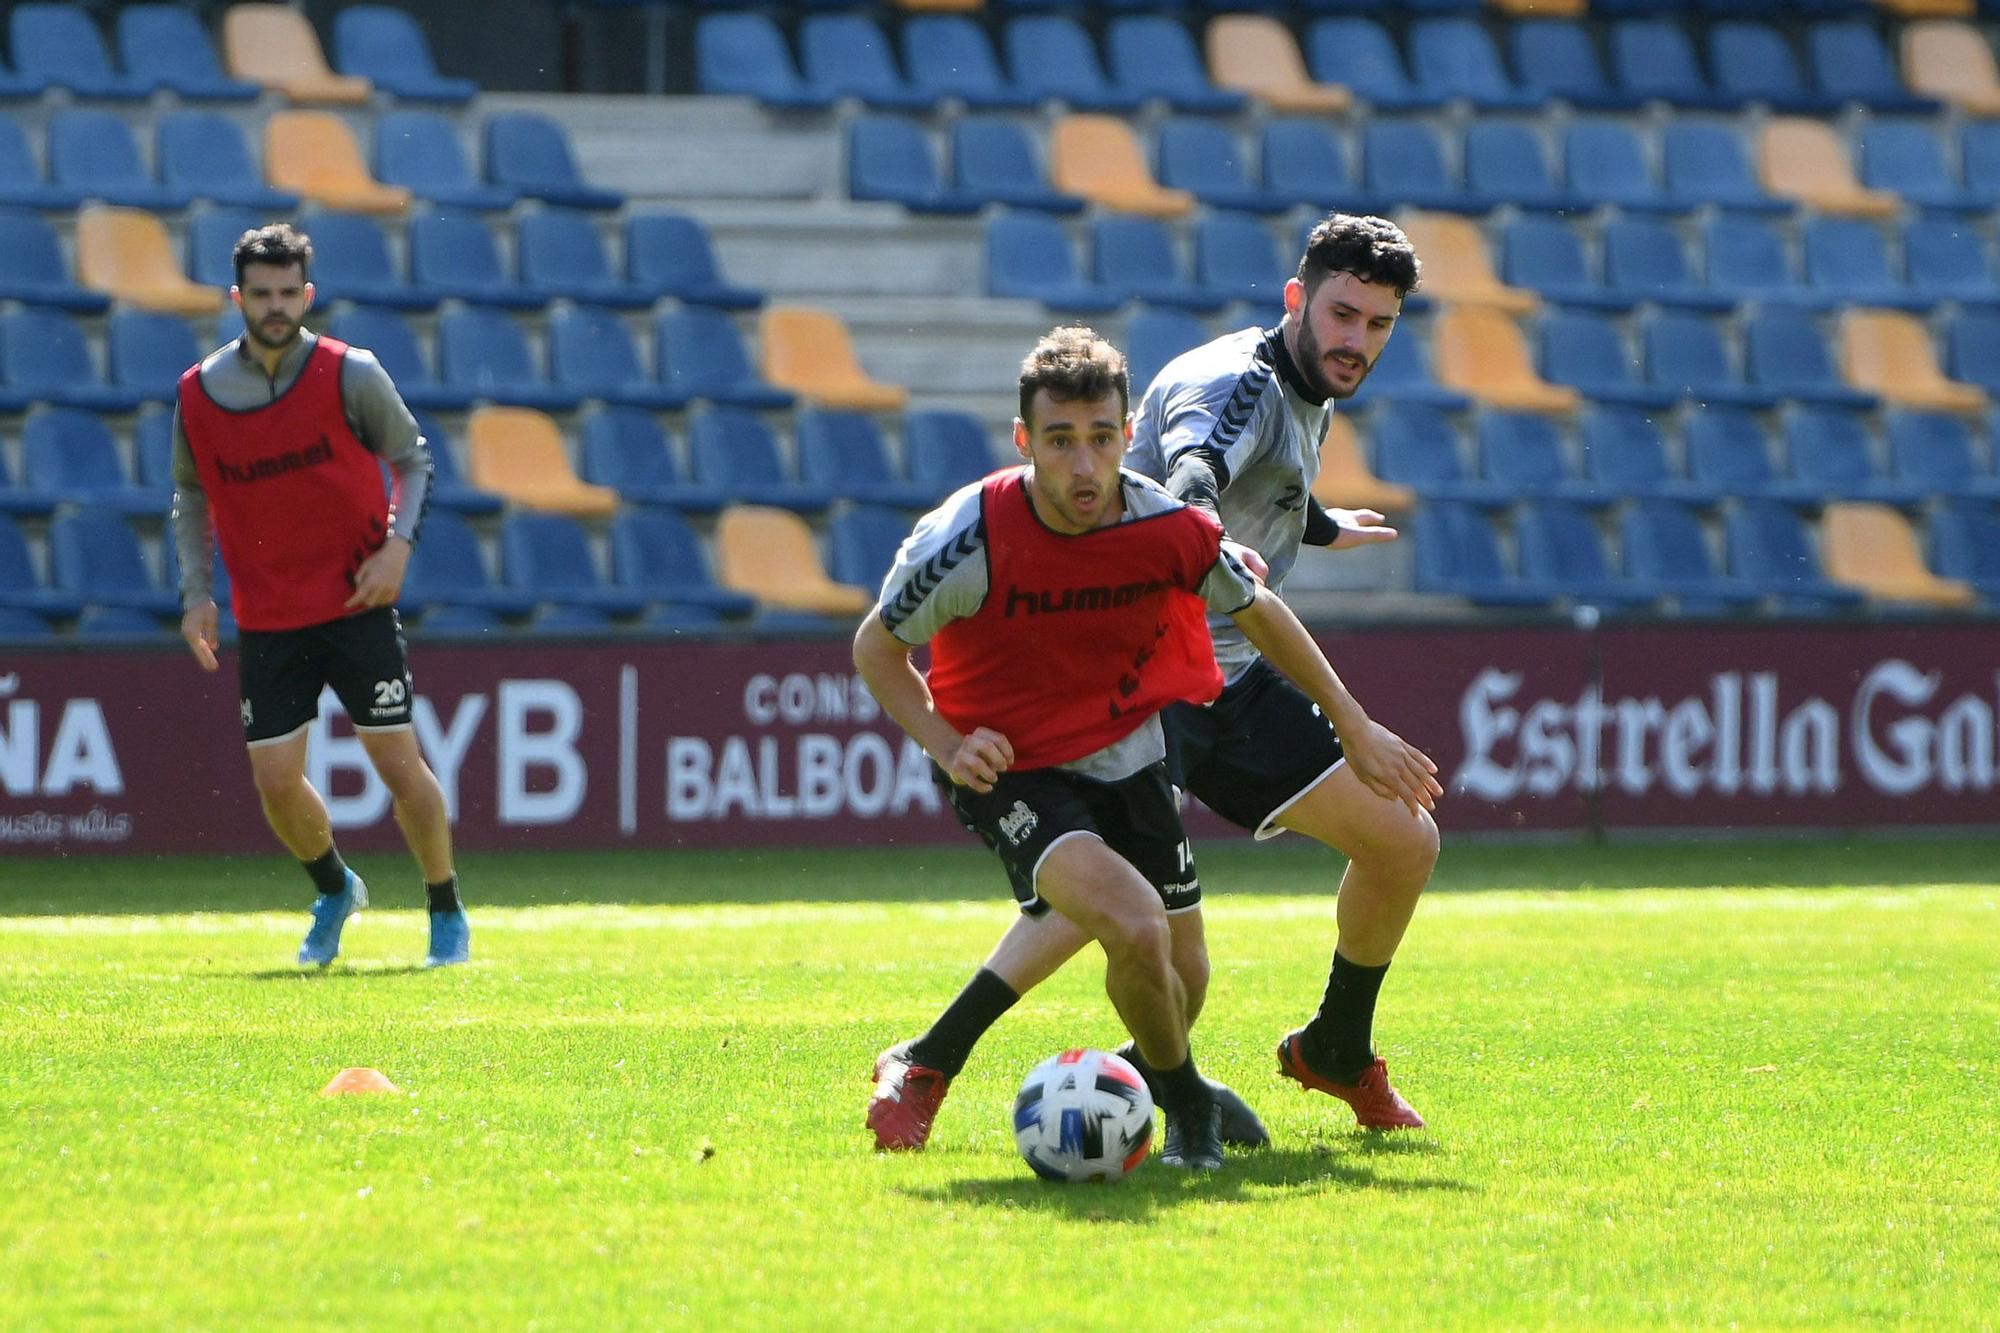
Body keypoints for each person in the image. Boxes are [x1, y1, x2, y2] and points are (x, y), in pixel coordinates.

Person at [868, 215, 1441, 1151]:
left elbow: (1254, 495)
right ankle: (962, 1063)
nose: (1357, 340)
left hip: (1229, 672)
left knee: (1390, 849)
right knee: (1112, 903)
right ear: (1297, 300)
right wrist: (1211, 534)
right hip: (1167, 671)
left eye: (1379, 325)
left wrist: (1320, 524)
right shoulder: (1235, 390)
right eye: (1343, 314)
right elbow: (1198, 477)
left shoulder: (1308, 380)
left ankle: (1315, 1051)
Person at [171, 223, 469, 970]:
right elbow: (190, 494)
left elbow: (414, 462)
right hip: (268, 616)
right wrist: (196, 593)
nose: (275, 307)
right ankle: (334, 889)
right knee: (275, 784)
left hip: (355, 605)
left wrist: (398, 548)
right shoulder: (198, 394)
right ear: (238, 297)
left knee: (401, 767)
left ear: (307, 294)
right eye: (260, 294)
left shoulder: (350, 373)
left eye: (287, 294)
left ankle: (445, 907)